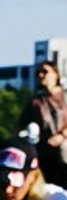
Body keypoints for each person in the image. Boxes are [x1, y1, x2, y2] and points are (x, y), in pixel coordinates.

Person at [20, 56, 67, 190]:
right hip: (44, 155)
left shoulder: (65, 97)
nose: (41, 75)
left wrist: (62, 135)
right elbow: (20, 126)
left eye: (45, 72)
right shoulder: (35, 102)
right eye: (38, 73)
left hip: (64, 154)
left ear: (55, 74)